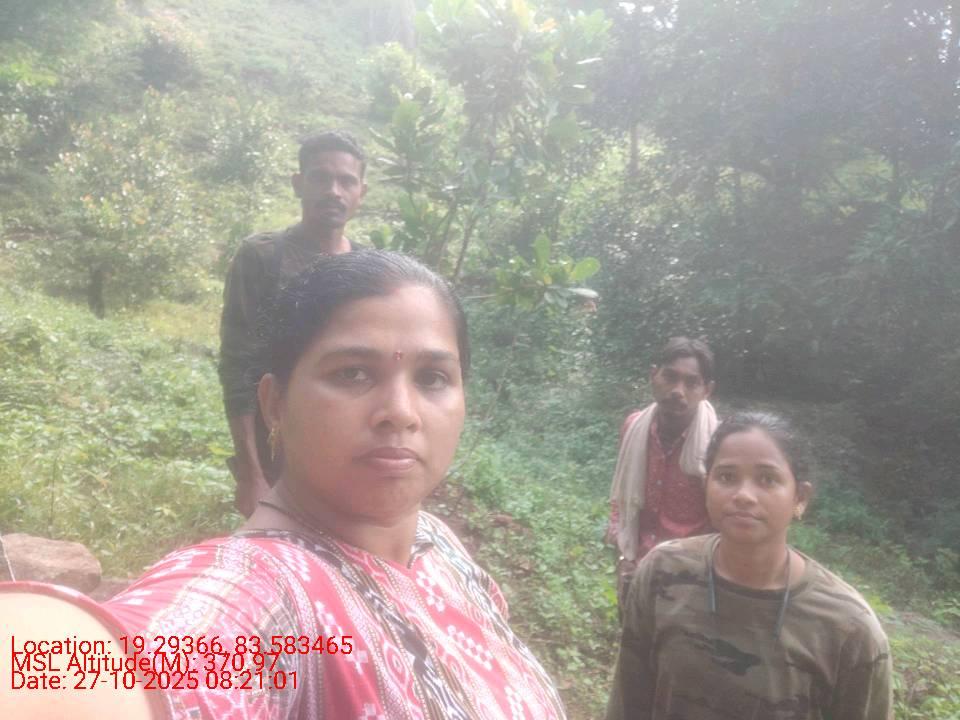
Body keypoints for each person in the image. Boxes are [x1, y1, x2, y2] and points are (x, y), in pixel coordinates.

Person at [2, 251, 566, 720]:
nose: (400, 411)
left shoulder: (439, 546)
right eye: (353, 373)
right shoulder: (269, 591)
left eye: (433, 378)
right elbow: (65, 674)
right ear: (275, 403)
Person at [606, 412, 893, 720]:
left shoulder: (849, 629)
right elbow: (628, 701)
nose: (743, 495)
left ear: (800, 497)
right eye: (726, 477)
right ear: (706, 485)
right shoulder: (663, 572)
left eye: (767, 479)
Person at [219, 130, 367, 517]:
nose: (333, 191)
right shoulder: (263, 258)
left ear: (361, 193)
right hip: (278, 450)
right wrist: (250, 473)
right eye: (320, 178)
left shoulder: (368, 269)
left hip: (347, 447)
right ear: (298, 184)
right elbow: (238, 365)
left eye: (346, 181)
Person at [606, 337, 718, 604]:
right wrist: (623, 553)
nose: (678, 391)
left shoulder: (719, 443)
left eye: (691, 383)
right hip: (634, 569)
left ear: (707, 390)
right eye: (670, 377)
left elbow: (721, 521)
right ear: (653, 376)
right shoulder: (634, 427)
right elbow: (622, 494)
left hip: (690, 582)